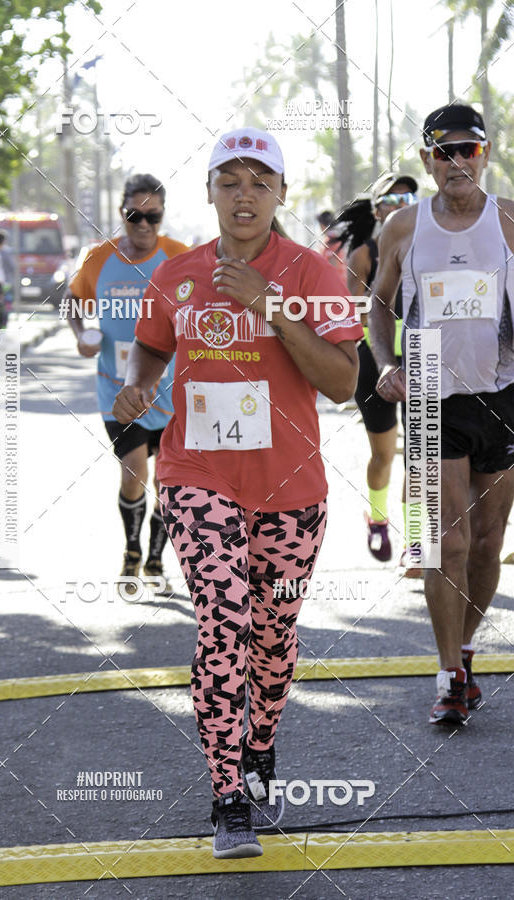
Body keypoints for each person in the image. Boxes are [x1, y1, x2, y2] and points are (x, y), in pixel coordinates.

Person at [113, 127, 363, 858]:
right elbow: (154, 342)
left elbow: (345, 384)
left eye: (260, 180)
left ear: (282, 193)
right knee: (222, 620)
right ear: (213, 193)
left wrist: (271, 304)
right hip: (198, 476)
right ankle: (227, 796)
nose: (244, 193)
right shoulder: (179, 273)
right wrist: (139, 385)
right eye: (230, 180)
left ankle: (261, 747)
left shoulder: (315, 274)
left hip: (290, 489)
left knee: (272, 639)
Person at [369, 104, 514, 725]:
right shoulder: (403, 227)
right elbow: (377, 308)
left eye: (469, 150)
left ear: (484, 155)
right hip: (429, 394)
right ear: (427, 160)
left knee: (486, 544)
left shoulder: (508, 218)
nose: (457, 163)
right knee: (444, 543)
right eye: (444, 152)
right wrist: (383, 363)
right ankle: (449, 674)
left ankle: (465, 648)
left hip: (503, 395)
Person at [66, 175, 189, 591]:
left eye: (152, 216)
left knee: (167, 483)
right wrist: (81, 333)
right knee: (133, 471)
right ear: (123, 214)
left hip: (169, 392)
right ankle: (132, 550)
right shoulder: (99, 258)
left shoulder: (177, 257)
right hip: (115, 391)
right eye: (135, 216)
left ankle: (156, 559)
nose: (143, 225)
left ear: (162, 216)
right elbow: (72, 299)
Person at [337, 174, 420, 571]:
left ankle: (417, 542)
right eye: (391, 198)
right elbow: (349, 315)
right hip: (375, 360)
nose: (400, 203)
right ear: (377, 209)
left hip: (422, 357)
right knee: (384, 455)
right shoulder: (364, 254)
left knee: (419, 457)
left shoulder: (430, 248)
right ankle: (377, 516)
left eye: (408, 196)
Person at [317, 210, 348, 283]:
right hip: (340, 281)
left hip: (335, 283)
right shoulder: (336, 237)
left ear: (322, 225)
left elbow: (333, 266)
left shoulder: (331, 241)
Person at [0, 231, 15, 327]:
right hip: (3, 283)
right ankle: (2, 325)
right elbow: (12, 267)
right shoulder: (5, 252)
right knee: (4, 306)